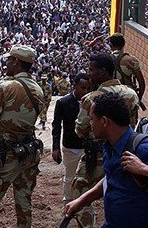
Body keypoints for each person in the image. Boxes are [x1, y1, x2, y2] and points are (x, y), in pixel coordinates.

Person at [0, 44, 44, 228]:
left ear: (17, 62)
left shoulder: (4, 87)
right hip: (29, 150)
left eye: (9, 60)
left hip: (6, 153)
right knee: (24, 201)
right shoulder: (38, 88)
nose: (6, 64)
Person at [64, 93, 148, 227]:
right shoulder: (110, 146)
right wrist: (82, 200)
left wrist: (143, 169)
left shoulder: (144, 149)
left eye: (92, 119)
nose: (90, 124)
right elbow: (111, 178)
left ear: (104, 121)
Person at [72, 53, 139, 227]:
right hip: (126, 152)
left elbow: (81, 130)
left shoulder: (92, 98)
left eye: (91, 70)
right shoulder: (131, 94)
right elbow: (134, 122)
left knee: (80, 190)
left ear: (102, 72)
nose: (88, 74)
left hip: (97, 155)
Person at [52, 72, 91, 203]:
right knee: (70, 176)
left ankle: (83, 203)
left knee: (86, 176)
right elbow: (56, 126)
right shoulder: (63, 102)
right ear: (75, 85)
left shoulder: (92, 102)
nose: (85, 91)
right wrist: (55, 147)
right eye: (83, 87)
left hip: (87, 146)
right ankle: (68, 201)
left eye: (87, 88)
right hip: (71, 146)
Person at [109, 33, 145, 104]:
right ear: (123, 44)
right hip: (128, 97)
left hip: (110, 96)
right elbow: (142, 83)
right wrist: (138, 98)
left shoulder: (106, 59)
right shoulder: (131, 60)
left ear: (111, 45)